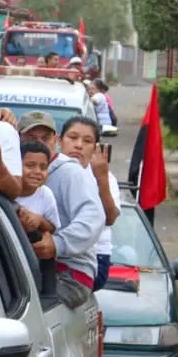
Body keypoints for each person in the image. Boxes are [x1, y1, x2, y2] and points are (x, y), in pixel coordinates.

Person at [17, 111, 105, 308]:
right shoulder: (11, 175)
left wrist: (58, 244)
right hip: (30, 267)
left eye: (45, 138)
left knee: (21, 309)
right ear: (18, 140)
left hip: (69, 274)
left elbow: (94, 217)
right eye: (31, 138)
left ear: (55, 140)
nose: (39, 143)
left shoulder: (71, 173)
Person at [57, 115, 120, 289]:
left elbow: (110, 218)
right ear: (59, 141)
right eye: (72, 137)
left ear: (95, 147)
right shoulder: (48, 170)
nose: (78, 145)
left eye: (87, 141)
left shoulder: (105, 177)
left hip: (94, 258)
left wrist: (101, 178)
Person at [15, 140, 60, 235]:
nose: (38, 171)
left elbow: (53, 229)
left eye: (43, 167)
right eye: (30, 166)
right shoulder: (4, 190)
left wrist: (40, 220)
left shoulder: (45, 194)